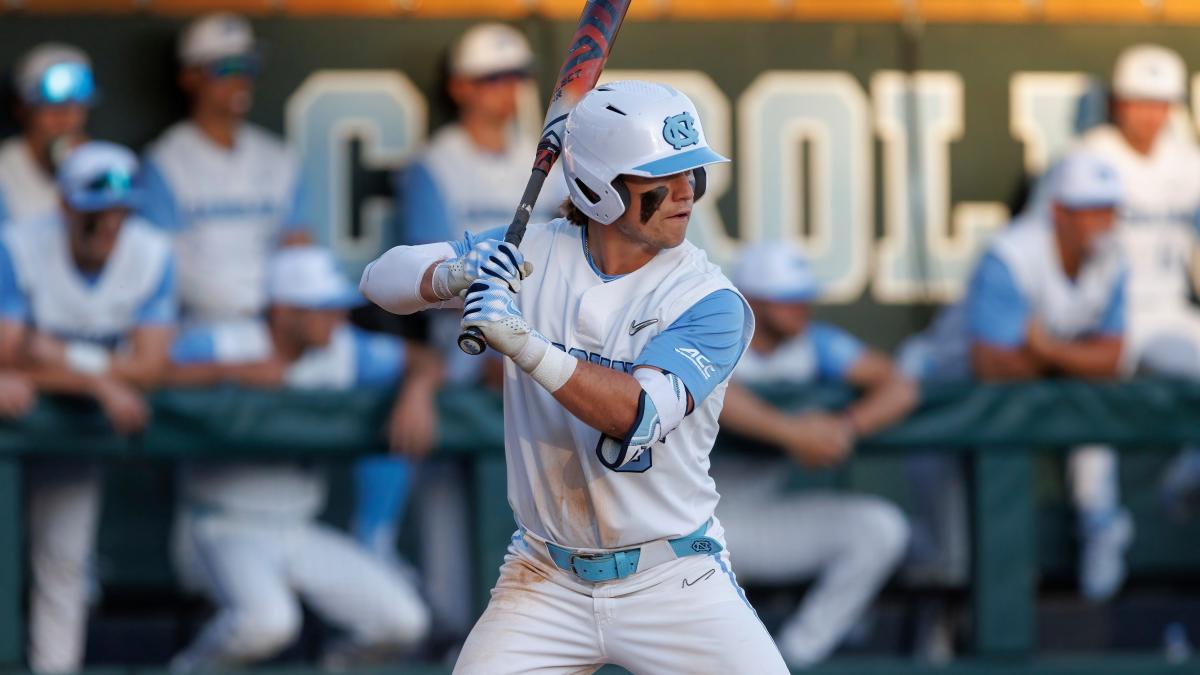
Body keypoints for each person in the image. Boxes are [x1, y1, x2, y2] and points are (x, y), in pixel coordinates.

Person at [361, 80, 788, 674]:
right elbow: (378, 280)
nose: (687, 192)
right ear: (600, 188)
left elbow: (635, 413)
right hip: (545, 577)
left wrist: (522, 342)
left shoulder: (711, 300)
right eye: (663, 177)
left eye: (694, 172)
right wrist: (454, 272)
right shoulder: (533, 250)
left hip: (673, 579)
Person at [166, 245, 433, 672]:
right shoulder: (222, 341)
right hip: (220, 525)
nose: (336, 318)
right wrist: (232, 372)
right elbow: (153, 373)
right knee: (269, 623)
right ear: (283, 312)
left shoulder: (343, 348)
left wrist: (416, 392)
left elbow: (424, 360)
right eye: (322, 309)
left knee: (404, 621)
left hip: (297, 527)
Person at [905, 150, 1129, 602]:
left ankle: (1102, 526)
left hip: (1016, 388)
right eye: (1091, 211)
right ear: (1059, 212)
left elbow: (1112, 361)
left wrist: (1045, 350)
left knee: (1092, 420)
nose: (1104, 222)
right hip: (940, 388)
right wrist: (1072, 358)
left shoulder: (1114, 257)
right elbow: (992, 366)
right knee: (945, 556)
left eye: (1110, 209)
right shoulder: (1012, 253)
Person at [0, 141, 176, 673]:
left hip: (70, 431)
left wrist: (50, 353)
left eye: (120, 211)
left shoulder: (152, 252)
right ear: (65, 206)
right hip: (21, 418)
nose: (109, 223)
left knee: (64, 564)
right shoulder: (17, 245)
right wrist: (100, 378)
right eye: (95, 210)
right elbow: (6, 352)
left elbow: (148, 368)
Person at [713, 242, 914, 668]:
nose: (800, 308)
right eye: (786, 299)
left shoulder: (814, 344)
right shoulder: (714, 332)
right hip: (689, 524)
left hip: (758, 516)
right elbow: (717, 391)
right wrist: (791, 432)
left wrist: (845, 426)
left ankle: (795, 658)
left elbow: (901, 385)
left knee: (879, 527)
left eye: (803, 297)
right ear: (751, 300)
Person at [137, 12, 308, 323]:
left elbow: (298, 247)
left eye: (248, 66)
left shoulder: (279, 156)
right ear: (190, 76)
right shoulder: (164, 160)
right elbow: (156, 265)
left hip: (275, 323)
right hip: (196, 324)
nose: (240, 79)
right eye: (227, 67)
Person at [0, 43, 95, 223]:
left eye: (77, 109)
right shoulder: (4, 174)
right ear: (22, 109)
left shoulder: (102, 165)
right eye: (54, 110)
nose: (68, 121)